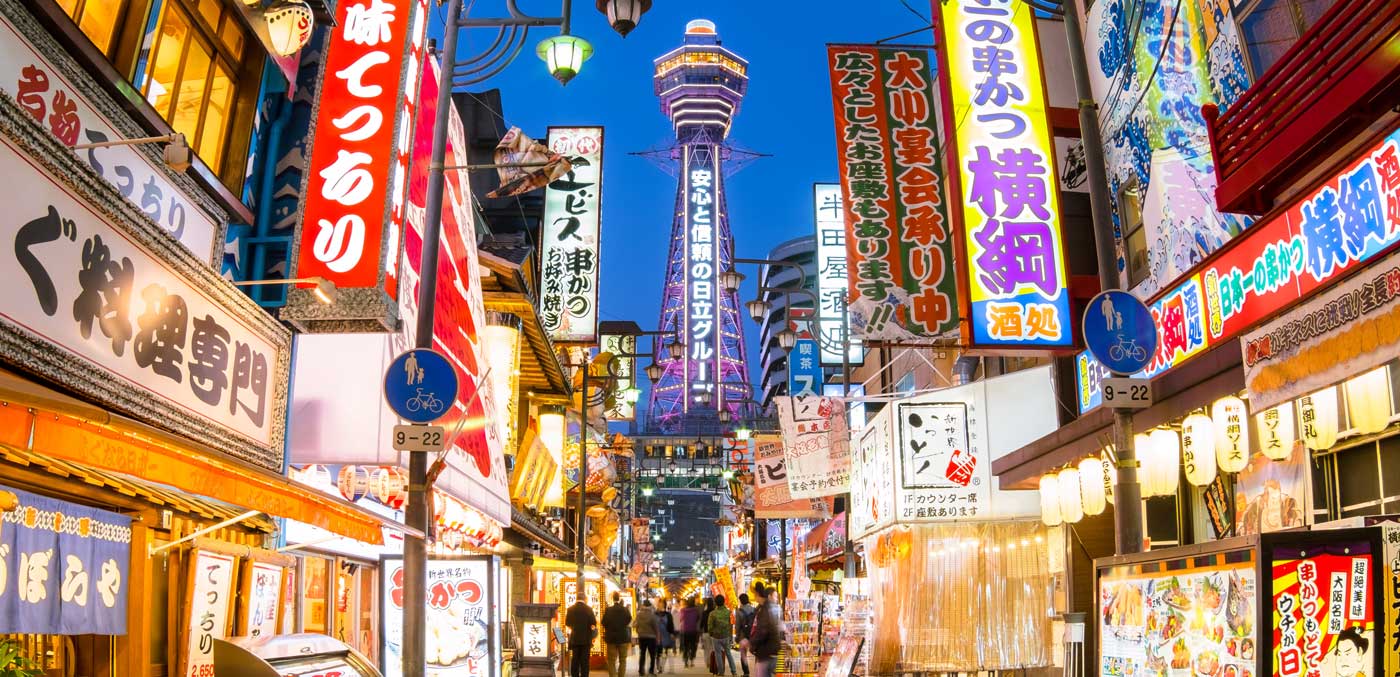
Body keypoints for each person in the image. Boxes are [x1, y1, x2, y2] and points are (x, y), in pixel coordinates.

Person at [747, 584, 784, 677]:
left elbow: (762, 631)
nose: (776, 599)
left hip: (765, 652)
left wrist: (753, 645)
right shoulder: (775, 609)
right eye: (775, 596)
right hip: (773, 651)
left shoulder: (765, 610)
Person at [601, 593, 633, 677]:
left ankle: (612, 675)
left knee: (611, 660)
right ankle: (621, 675)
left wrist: (609, 627)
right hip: (623, 638)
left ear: (612, 598)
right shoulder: (625, 610)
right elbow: (629, 619)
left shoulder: (608, 610)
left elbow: (603, 622)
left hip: (611, 638)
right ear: (619, 598)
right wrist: (623, 626)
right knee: (623, 660)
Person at [707, 595, 740, 676]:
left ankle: (721, 672)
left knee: (718, 654)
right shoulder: (728, 612)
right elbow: (731, 624)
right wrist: (730, 636)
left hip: (716, 637)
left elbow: (710, 626)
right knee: (728, 653)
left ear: (716, 603)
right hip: (726, 636)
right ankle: (734, 671)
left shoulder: (712, 614)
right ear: (724, 601)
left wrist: (711, 633)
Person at [564, 599, 597, 677]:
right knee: (585, 661)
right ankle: (584, 675)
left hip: (575, 638)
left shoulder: (570, 609)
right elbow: (593, 623)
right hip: (586, 639)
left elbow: (567, 623)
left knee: (575, 659)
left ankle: (575, 675)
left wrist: (574, 627)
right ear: (585, 599)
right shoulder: (589, 609)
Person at [634, 599, 660, 676]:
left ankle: (641, 670)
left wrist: (638, 631)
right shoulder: (652, 615)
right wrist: (657, 637)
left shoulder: (638, 614)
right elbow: (655, 627)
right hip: (651, 637)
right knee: (652, 655)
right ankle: (651, 670)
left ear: (643, 606)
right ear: (650, 606)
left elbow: (634, 624)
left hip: (642, 637)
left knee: (642, 653)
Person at [734, 593, 756, 677]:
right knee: (754, 654)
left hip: (743, 636)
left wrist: (737, 636)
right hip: (753, 635)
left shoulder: (739, 611)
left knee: (743, 654)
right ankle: (756, 671)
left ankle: (746, 672)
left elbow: (737, 626)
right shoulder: (753, 609)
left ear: (740, 601)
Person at [677, 597, 701, 667]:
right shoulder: (696, 610)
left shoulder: (683, 610)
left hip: (685, 631)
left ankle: (685, 661)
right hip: (693, 630)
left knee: (685, 646)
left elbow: (681, 619)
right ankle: (691, 660)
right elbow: (697, 619)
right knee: (693, 646)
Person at [656, 601, 676, 673]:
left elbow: (671, 625)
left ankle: (670, 669)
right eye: (658, 604)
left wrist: (672, 634)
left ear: (663, 605)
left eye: (660, 604)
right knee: (659, 654)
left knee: (667, 652)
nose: (658, 605)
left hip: (667, 636)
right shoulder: (655, 614)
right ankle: (660, 668)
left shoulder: (668, 615)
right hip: (658, 636)